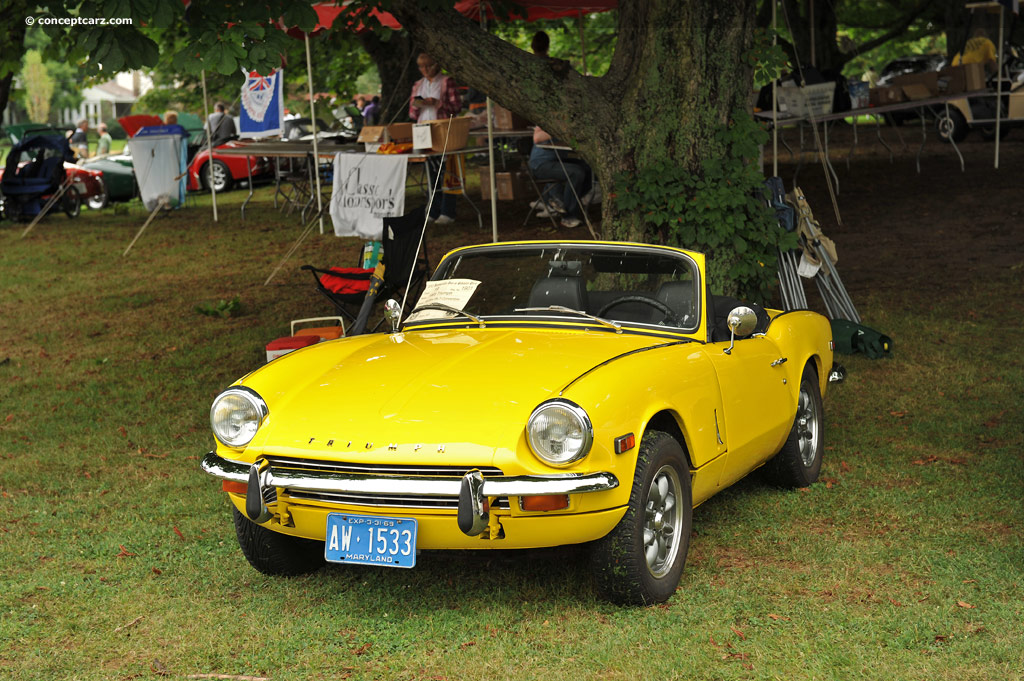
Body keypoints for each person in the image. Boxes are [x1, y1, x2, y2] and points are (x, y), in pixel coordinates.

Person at [409, 52, 462, 225]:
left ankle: (448, 210)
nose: (424, 70)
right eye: (421, 67)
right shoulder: (418, 85)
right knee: (431, 171)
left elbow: (456, 107)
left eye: (428, 66)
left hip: (443, 130)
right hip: (424, 130)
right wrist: (419, 104)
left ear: (436, 65)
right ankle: (433, 208)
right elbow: (412, 111)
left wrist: (437, 103)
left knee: (446, 170)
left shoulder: (446, 82)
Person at [528, 126, 592, 230]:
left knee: (589, 168)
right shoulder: (548, 118)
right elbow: (537, 138)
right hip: (541, 164)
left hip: (558, 160)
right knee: (576, 173)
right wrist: (560, 130)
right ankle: (568, 216)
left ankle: (560, 202)